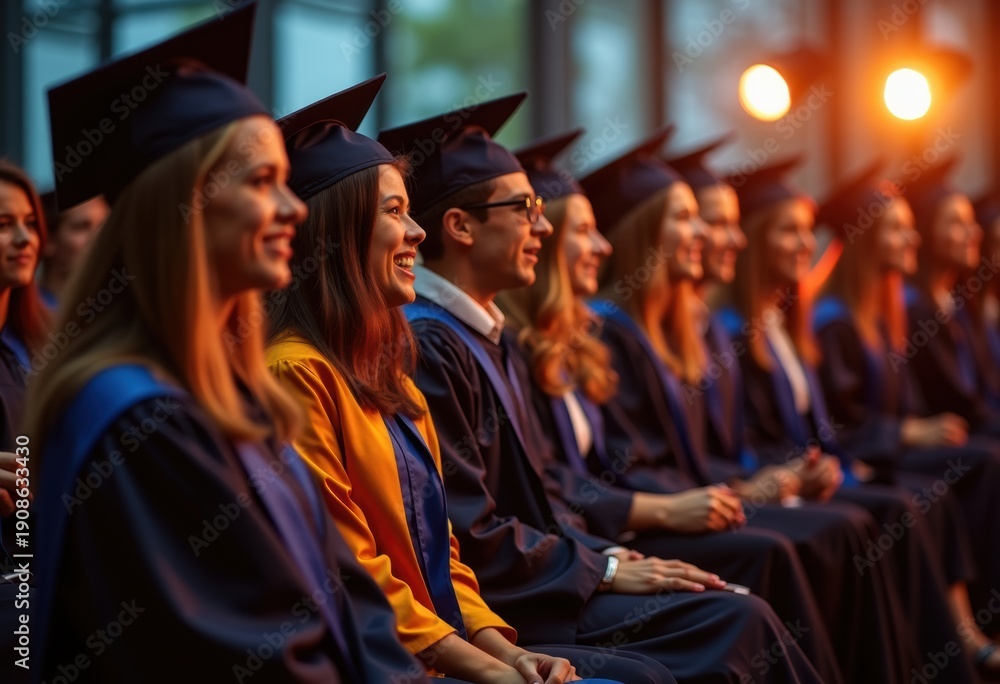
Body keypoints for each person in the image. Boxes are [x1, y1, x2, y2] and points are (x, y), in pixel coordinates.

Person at [27, 8, 435, 682]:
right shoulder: (141, 420)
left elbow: (351, 603)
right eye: (260, 182)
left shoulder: (238, 399)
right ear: (182, 207)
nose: (294, 210)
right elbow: (248, 656)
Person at [379, 95, 826, 683]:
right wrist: (602, 568)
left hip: (554, 570)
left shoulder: (486, 334)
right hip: (511, 602)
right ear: (460, 227)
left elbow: (541, 492)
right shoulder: (433, 345)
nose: (542, 226)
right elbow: (467, 529)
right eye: (525, 209)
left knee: (743, 601)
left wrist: (606, 558)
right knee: (735, 612)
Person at [264, 74, 664, 684]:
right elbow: (356, 569)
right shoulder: (297, 375)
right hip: (386, 661)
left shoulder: (386, 372)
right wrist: (485, 668)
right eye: (395, 212)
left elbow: (439, 554)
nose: (416, 232)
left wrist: (506, 652)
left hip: (448, 646)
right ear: (335, 235)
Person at [498, 130, 848, 684]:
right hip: (578, 554)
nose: (602, 246)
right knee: (772, 560)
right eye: (583, 232)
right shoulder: (525, 349)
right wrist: (639, 532)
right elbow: (566, 482)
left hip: (598, 538)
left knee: (833, 530)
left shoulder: (578, 343)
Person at [720, 157, 976, 683]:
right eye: (788, 231)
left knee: (911, 499)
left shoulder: (788, 323)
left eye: (806, 232)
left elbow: (819, 429)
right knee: (895, 506)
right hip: (762, 486)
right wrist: (795, 472)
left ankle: (944, 655)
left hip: (804, 476)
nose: (804, 244)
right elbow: (746, 437)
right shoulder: (737, 330)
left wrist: (819, 465)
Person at [814, 162, 1000, 675]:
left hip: (878, 453)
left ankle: (965, 637)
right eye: (896, 228)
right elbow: (836, 423)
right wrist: (905, 432)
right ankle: (957, 645)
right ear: (866, 239)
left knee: (953, 478)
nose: (910, 236)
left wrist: (909, 427)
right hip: (852, 460)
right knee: (963, 472)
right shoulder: (833, 322)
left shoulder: (883, 316)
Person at [902, 156, 1000, 439]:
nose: (974, 233)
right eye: (958, 223)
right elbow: (958, 402)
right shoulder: (914, 307)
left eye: (971, 222)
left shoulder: (956, 303)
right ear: (927, 230)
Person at [0, 160, 50, 684]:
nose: (22, 238)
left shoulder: (39, 346)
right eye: (2, 225)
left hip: (31, 587)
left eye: (30, 223)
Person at [38, 191, 108, 307]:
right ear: (48, 241)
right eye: (81, 227)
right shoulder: (23, 315)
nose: (97, 237)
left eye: (102, 226)